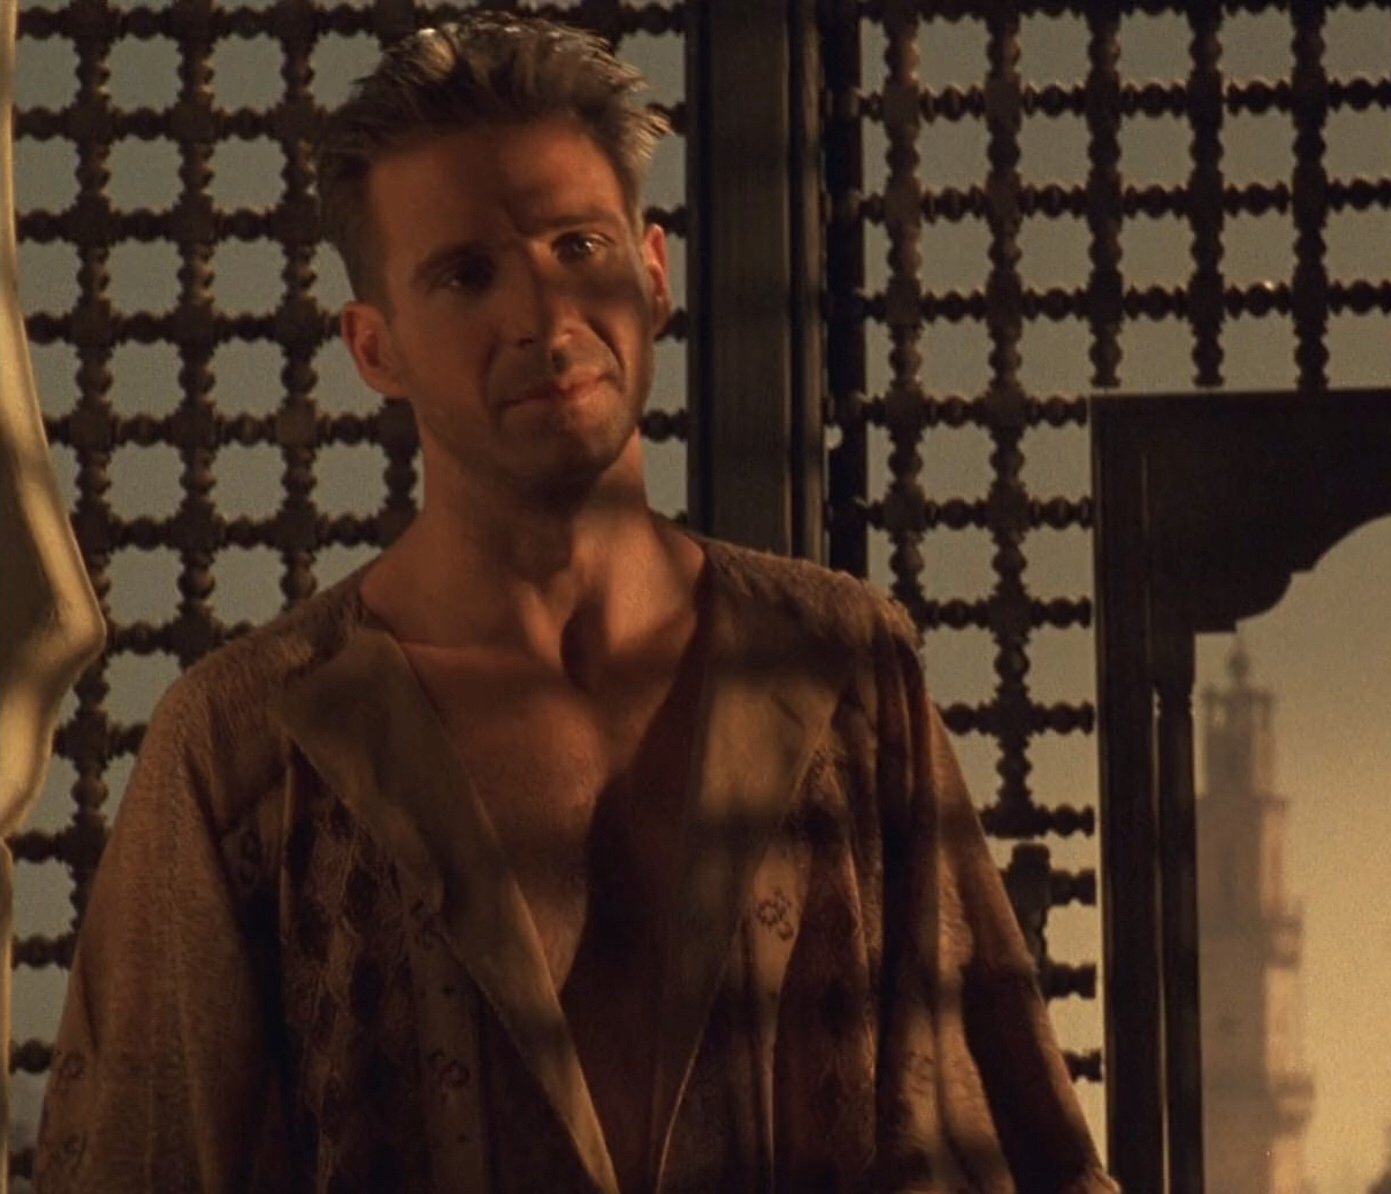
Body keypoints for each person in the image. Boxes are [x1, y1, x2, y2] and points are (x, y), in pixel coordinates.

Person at [34, 15, 1115, 1193]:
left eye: (577, 245)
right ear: (375, 348)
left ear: (651, 274)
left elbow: (1015, 1143)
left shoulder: (839, 666)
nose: (545, 317)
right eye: (466, 274)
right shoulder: (246, 745)